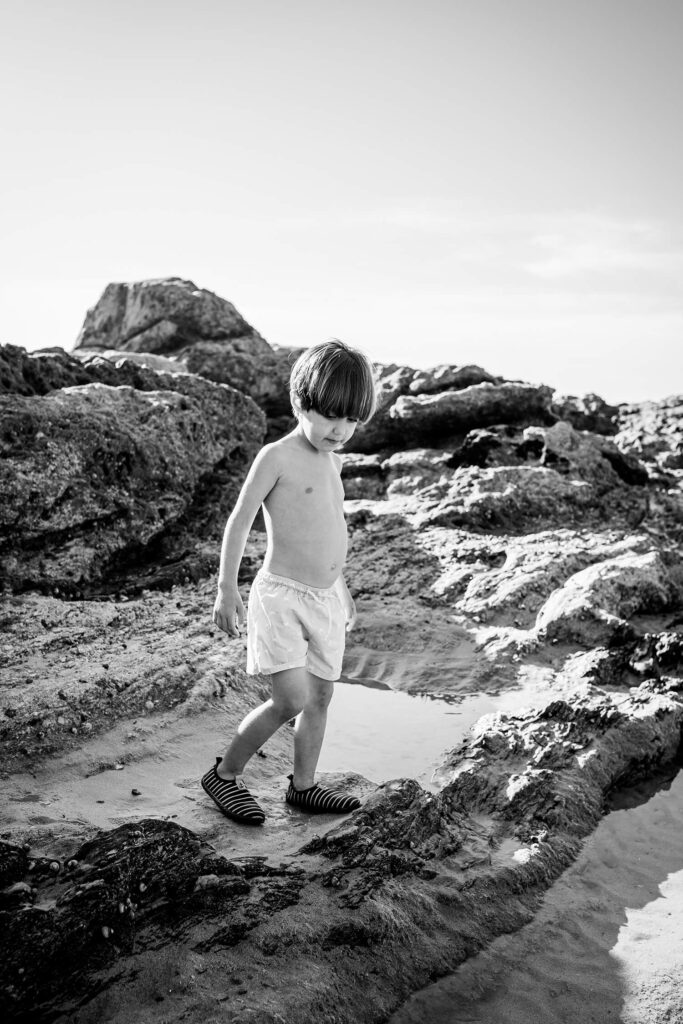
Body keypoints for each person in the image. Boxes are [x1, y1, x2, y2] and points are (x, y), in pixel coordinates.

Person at [201, 340, 377, 825]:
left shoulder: (333, 461)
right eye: (329, 416)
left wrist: (340, 589)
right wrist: (226, 588)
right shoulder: (276, 456)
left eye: (351, 421)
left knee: (321, 697)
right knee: (290, 699)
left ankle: (303, 788)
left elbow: (330, 527)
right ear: (300, 403)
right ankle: (225, 775)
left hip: (324, 599)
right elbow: (239, 521)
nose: (339, 430)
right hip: (280, 596)